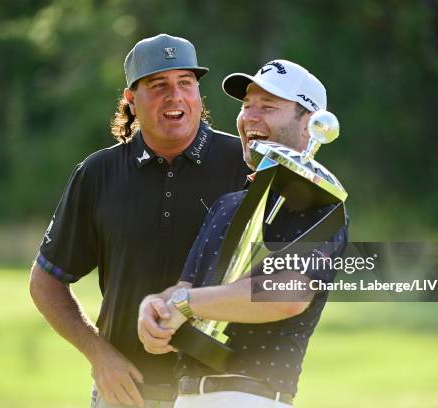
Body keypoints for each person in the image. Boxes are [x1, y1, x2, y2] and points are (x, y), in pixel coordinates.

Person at [29, 34, 250, 408]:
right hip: (127, 395)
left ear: (199, 93)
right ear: (131, 99)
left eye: (185, 83)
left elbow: (276, 282)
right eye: (158, 85)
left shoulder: (244, 166)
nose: (175, 96)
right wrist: (99, 356)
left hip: (220, 394)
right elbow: (45, 282)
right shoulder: (98, 174)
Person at [138, 59, 348, 407]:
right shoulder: (227, 205)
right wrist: (157, 307)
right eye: (246, 106)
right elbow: (191, 287)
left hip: (254, 397)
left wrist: (184, 305)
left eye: (268, 107)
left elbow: (288, 294)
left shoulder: (321, 201)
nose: (250, 117)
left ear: (309, 126)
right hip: (187, 396)